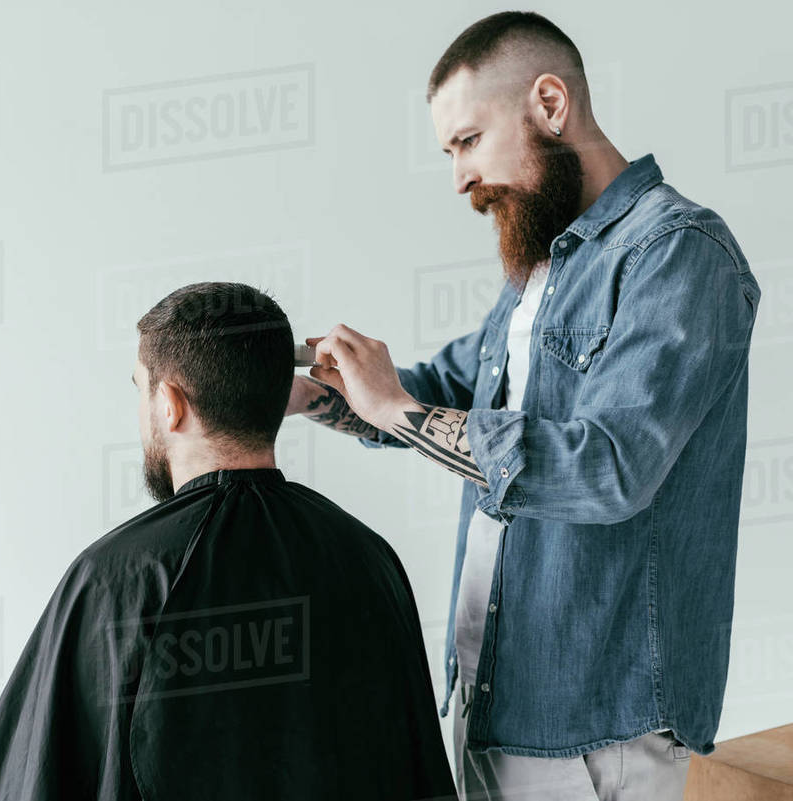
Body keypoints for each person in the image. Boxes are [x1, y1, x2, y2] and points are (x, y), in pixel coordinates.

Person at [287, 11, 760, 801]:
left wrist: (396, 408)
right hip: (489, 702)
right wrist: (323, 396)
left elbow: (610, 467)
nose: (458, 179)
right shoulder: (544, 267)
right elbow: (450, 393)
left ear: (549, 103)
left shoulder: (679, 253)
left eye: (468, 141)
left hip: (598, 733)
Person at [0, 282, 457, 801]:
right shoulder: (368, 556)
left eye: (141, 388)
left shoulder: (117, 574)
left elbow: (21, 772)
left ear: (169, 404)